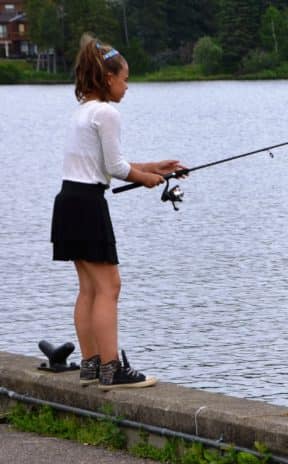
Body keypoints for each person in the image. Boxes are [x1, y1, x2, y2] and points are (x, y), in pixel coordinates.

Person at [51, 34, 183, 390]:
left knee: (89, 289)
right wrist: (148, 179)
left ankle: (91, 365)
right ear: (108, 78)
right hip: (88, 206)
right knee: (110, 286)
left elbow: (105, 165)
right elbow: (118, 168)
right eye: (125, 79)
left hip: (68, 201)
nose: (128, 86)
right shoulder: (107, 112)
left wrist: (155, 167)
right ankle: (112, 369)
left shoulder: (82, 113)